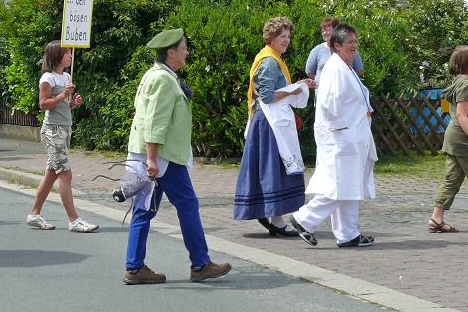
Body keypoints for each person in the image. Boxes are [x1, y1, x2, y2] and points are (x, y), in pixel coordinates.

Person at [123, 29, 232, 285]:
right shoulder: (162, 79)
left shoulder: (156, 75)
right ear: (170, 52)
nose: (187, 52)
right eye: (183, 48)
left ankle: (135, 267)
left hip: (151, 154)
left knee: (144, 209)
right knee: (187, 204)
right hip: (162, 158)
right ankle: (200, 264)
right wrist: (152, 159)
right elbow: (155, 120)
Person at [290, 23, 377, 248]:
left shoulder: (344, 67)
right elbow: (329, 106)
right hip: (341, 138)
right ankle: (304, 219)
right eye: (350, 42)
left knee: (349, 186)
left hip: (350, 137)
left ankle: (348, 233)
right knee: (339, 185)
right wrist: (344, 134)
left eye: (356, 42)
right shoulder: (335, 68)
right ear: (336, 45)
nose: (354, 46)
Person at [233, 17, 314, 235]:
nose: (286, 40)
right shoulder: (269, 61)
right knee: (275, 169)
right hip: (270, 123)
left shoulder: (273, 59)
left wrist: (297, 86)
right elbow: (267, 96)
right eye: (282, 36)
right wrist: (295, 89)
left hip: (271, 122)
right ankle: (276, 220)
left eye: (288, 36)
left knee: (273, 169)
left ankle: (270, 213)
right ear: (271, 37)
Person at [26, 40, 99, 233]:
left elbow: (64, 106)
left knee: (52, 174)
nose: (70, 56)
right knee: (65, 174)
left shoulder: (66, 76)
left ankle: (34, 214)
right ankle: (74, 220)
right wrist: (61, 96)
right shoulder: (47, 79)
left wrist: (73, 102)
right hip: (52, 131)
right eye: (67, 53)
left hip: (64, 129)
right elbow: (43, 104)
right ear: (57, 55)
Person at [428, 45, 468, 232]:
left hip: (454, 139)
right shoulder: (466, 84)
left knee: (451, 179)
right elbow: (462, 115)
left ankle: (436, 219)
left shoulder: (459, 81)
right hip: (464, 141)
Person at [306, 17, 363, 84]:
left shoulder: (350, 49)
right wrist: (324, 81)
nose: (325, 33)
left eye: (328, 30)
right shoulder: (317, 50)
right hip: (323, 92)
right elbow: (309, 72)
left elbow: (359, 71)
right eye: (323, 31)